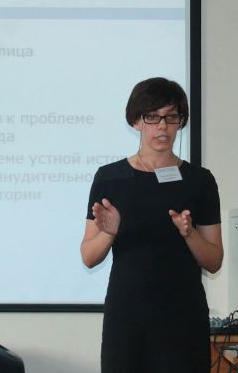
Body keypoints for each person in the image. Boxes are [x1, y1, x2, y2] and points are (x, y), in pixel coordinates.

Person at [80, 77, 223, 373]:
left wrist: (189, 234)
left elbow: (214, 260)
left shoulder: (200, 181)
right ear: (136, 121)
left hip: (183, 320)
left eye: (171, 117)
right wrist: (109, 233)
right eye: (153, 117)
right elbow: (88, 256)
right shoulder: (110, 178)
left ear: (181, 122)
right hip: (127, 319)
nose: (162, 127)